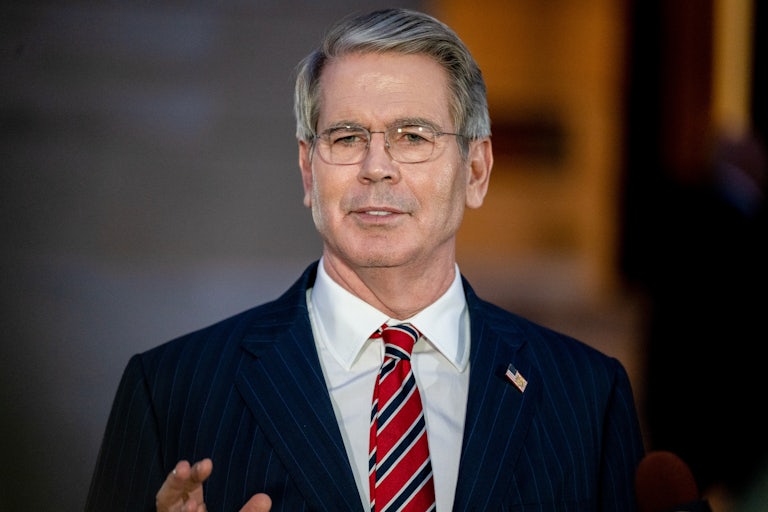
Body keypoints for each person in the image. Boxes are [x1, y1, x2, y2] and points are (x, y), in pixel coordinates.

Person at [85, 8, 645, 512]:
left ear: (475, 170)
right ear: (309, 171)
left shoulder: (588, 398)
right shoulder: (170, 392)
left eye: (412, 135)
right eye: (348, 137)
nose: (377, 167)